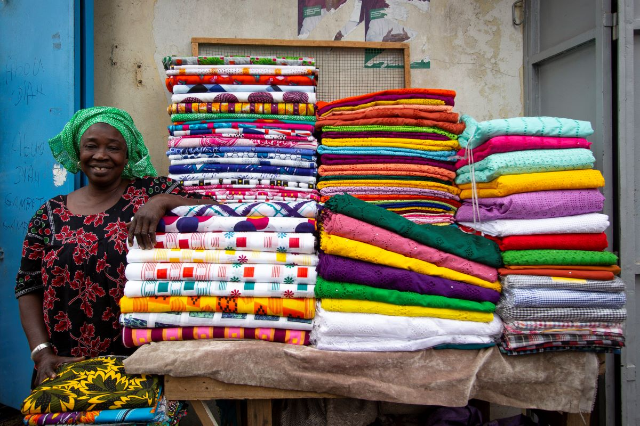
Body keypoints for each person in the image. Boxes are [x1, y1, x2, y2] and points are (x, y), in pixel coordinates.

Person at [15, 107, 211, 386]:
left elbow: (218, 211)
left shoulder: (151, 192)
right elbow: (28, 287)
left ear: (128, 153)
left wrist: (162, 202)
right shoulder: (49, 214)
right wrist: (41, 354)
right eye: (91, 146)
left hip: (142, 363)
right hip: (65, 369)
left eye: (113, 147)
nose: (101, 155)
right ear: (77, 150)